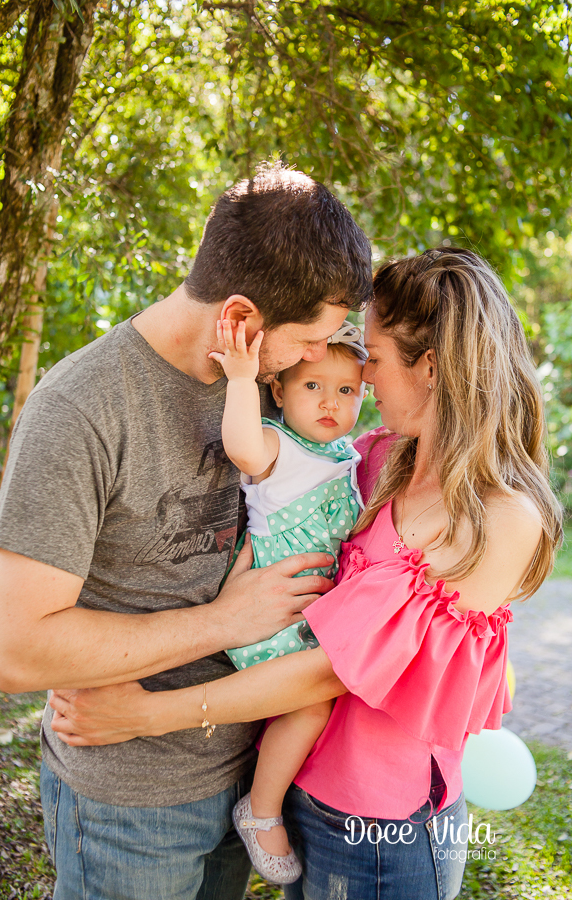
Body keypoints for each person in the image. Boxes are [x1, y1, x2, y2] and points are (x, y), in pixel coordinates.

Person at [49, 247, 563, 900]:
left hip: (383, 825)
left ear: (429, 367)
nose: (364, 377)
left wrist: (146, 715)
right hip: (299, 791)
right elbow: (282, 511)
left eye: (372, 358)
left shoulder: (501, 516)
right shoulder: (378, 462)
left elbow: (333, 668)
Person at [0, 161, 373, 900]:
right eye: (307, 342)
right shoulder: (81, 410)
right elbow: (16, 651)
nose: (312, 362)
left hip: (243, 779)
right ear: (241, 321)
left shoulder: (262, 387)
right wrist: (224, 620)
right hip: (127, 804)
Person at [209, 317, 368, 883]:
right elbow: (242, 448)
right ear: (279, 391)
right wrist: (240, 379)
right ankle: (261, 808)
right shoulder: (279, 445)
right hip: (273, 613)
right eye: (312, 386)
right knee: (308, 705)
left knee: (317, 705)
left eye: (346, 390)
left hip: (310, 614)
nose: (330, 402)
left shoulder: (345, 455)